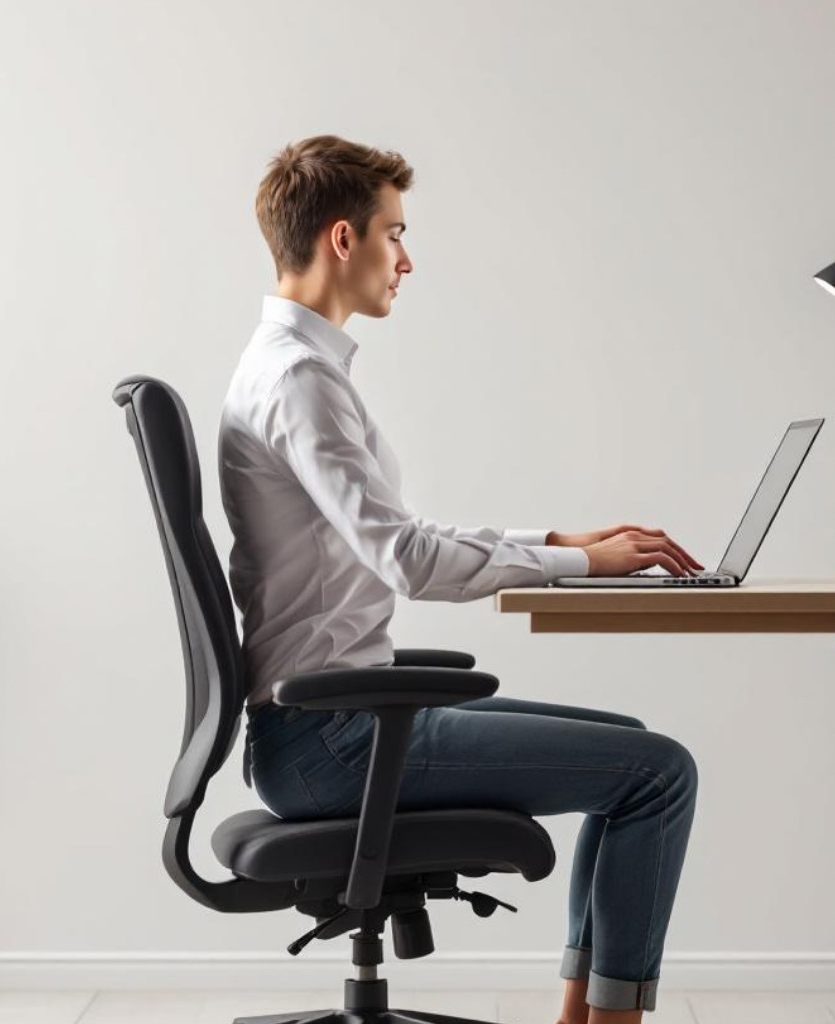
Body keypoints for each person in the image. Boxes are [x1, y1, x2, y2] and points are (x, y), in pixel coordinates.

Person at [218, 134, 701, 1024]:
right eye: (394, 232)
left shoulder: (293, 369)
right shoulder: (301, 382)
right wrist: (579, 565)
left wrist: (555, 541)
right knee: (657, 772)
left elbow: (396, 535)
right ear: (341, 240)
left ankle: (581, 1016)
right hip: (335, 744)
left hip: (334, 725)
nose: (407, 258)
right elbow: (405, 561)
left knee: (631, 745)